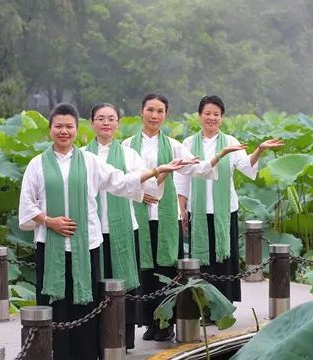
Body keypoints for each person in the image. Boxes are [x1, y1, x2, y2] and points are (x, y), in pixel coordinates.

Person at [18, 103, 187, 360]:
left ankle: (86, 352)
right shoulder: (37, 164)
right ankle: (57, 351)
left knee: (86, 301)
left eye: (69, 127)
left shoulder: (90, 161)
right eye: (58, 126)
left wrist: (156, 171)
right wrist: (49, 221)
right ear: (50, 129)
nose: (64, 131)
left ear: (77, 129)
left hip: (88, 244)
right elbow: (27, 204)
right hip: (49, 242)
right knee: (56, 300)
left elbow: (120, 181)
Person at [122, 93, 243, 341]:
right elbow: (120, 179)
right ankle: (148, 323)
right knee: (143, 270)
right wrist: (138, 191)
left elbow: (197, 168)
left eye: (160, 111)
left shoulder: (176, 146)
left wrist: (220, 155)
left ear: (165, 115)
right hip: (138, 216)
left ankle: (165, 323)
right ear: (141, 112)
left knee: (166, 271)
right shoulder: (126, 146)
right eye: (150, 110)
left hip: (167, 217)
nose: (155, 116)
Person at [175, 95, 284, 303]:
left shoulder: (230, 142)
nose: (212, 118)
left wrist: (259, 150)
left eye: (216, 114)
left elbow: (246, 166)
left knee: (224, 258)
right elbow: (182, 177)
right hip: (199, 209)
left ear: (222, 118)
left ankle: (224, 304)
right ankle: (205, 305)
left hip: (226, 211)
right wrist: (182, 207)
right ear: (199, 116)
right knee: (203, 260)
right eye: (207, 113)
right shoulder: (188, 143)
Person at [81, 103, 145, 351]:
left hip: (124, 227)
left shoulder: (130, 155)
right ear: (92, 123)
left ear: (118, 123)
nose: (106, 123)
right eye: (100, 118)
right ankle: (95, 338)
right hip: (92, 231)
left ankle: (122, 339)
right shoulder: (82, 155)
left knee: (123, 283)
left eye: (111, 118)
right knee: (95, 283)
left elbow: (140, 188)